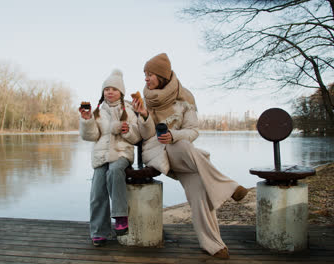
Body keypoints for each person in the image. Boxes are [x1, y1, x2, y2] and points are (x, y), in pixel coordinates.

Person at [132, 53, 248, 259]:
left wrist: (173, 135)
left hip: (181, 150)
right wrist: (144, 115)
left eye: (150, 74)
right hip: (154, 150)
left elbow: (193, 131)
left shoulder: (185, 98)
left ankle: (213, 243)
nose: (146, 79)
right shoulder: (144, 99)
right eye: (145, 75)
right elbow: (145, 135)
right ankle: (228, 186)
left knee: (200, 191)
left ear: (162, 76)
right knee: (186, 150)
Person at [79, 69, 141, 246]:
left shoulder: (129, 110)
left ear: (121, 91)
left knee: (114, 171)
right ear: (103, 92)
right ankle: (99, 231)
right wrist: (87, 120)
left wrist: (128, 131)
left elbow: (137, 138)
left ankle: (120, 216)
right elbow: (90, 136)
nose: (110, 92)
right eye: (107, 89)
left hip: (122, 154)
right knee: (98, 188)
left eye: (114, 89)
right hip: (101, 155)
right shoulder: (97, 111)